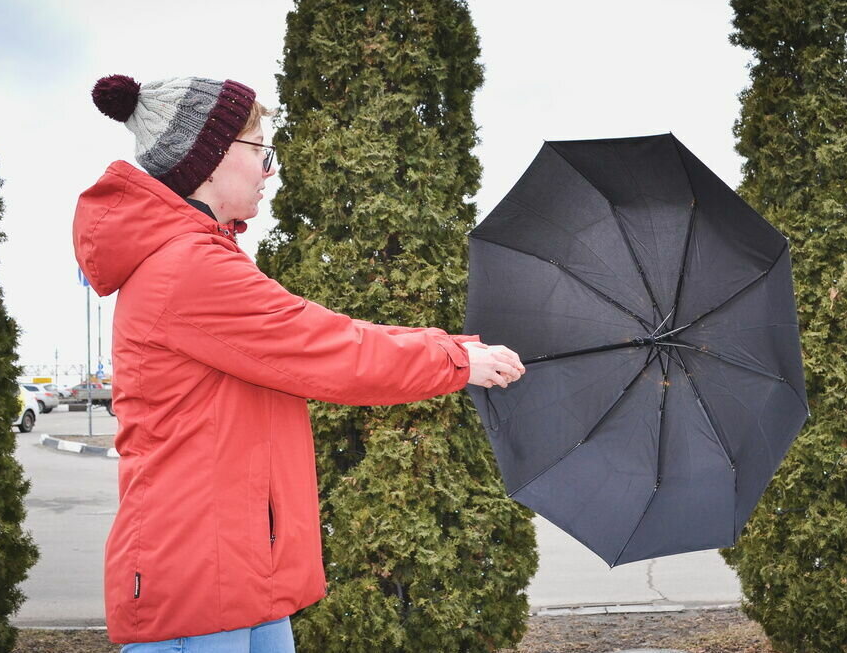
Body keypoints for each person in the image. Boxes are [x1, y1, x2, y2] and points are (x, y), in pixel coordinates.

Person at [73, 74, 525, 652]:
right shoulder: (187, 269)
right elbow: (332, 351)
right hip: (196, 586)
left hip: (238, 575)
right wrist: (455, 360)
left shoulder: (202, 259)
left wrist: (453, 348)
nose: (271, 170)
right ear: (210, 160)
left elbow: (322, 333)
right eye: (263, 152)